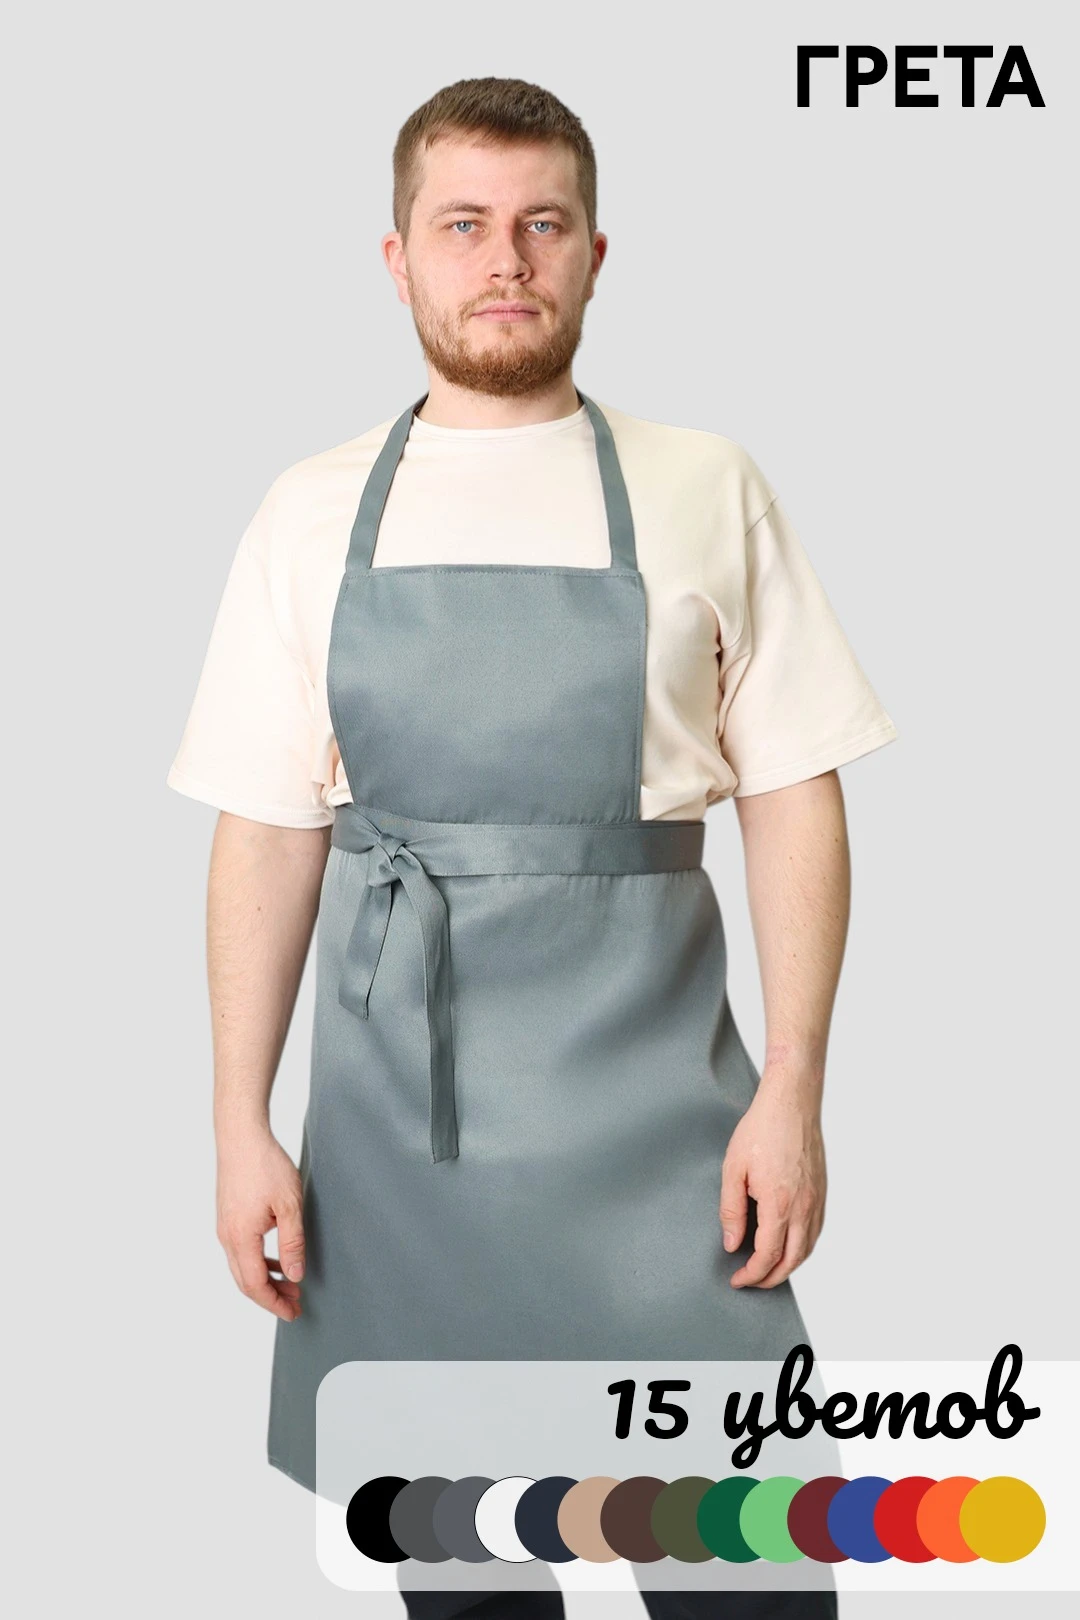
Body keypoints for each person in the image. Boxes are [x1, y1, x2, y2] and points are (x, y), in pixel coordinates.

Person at [167, 75, 897, 1619]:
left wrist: (793, 1089)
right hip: (403, 1152)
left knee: (750, 1568)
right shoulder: (308, 515)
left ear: (594, 253)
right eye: (463, 224)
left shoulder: (707, 486)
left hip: (667, 1135)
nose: (504, 258)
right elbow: (268, 832)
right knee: (466, 1579)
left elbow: (794, 796)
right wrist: (239, 1121)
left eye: (541, 224)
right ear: (398, 259)